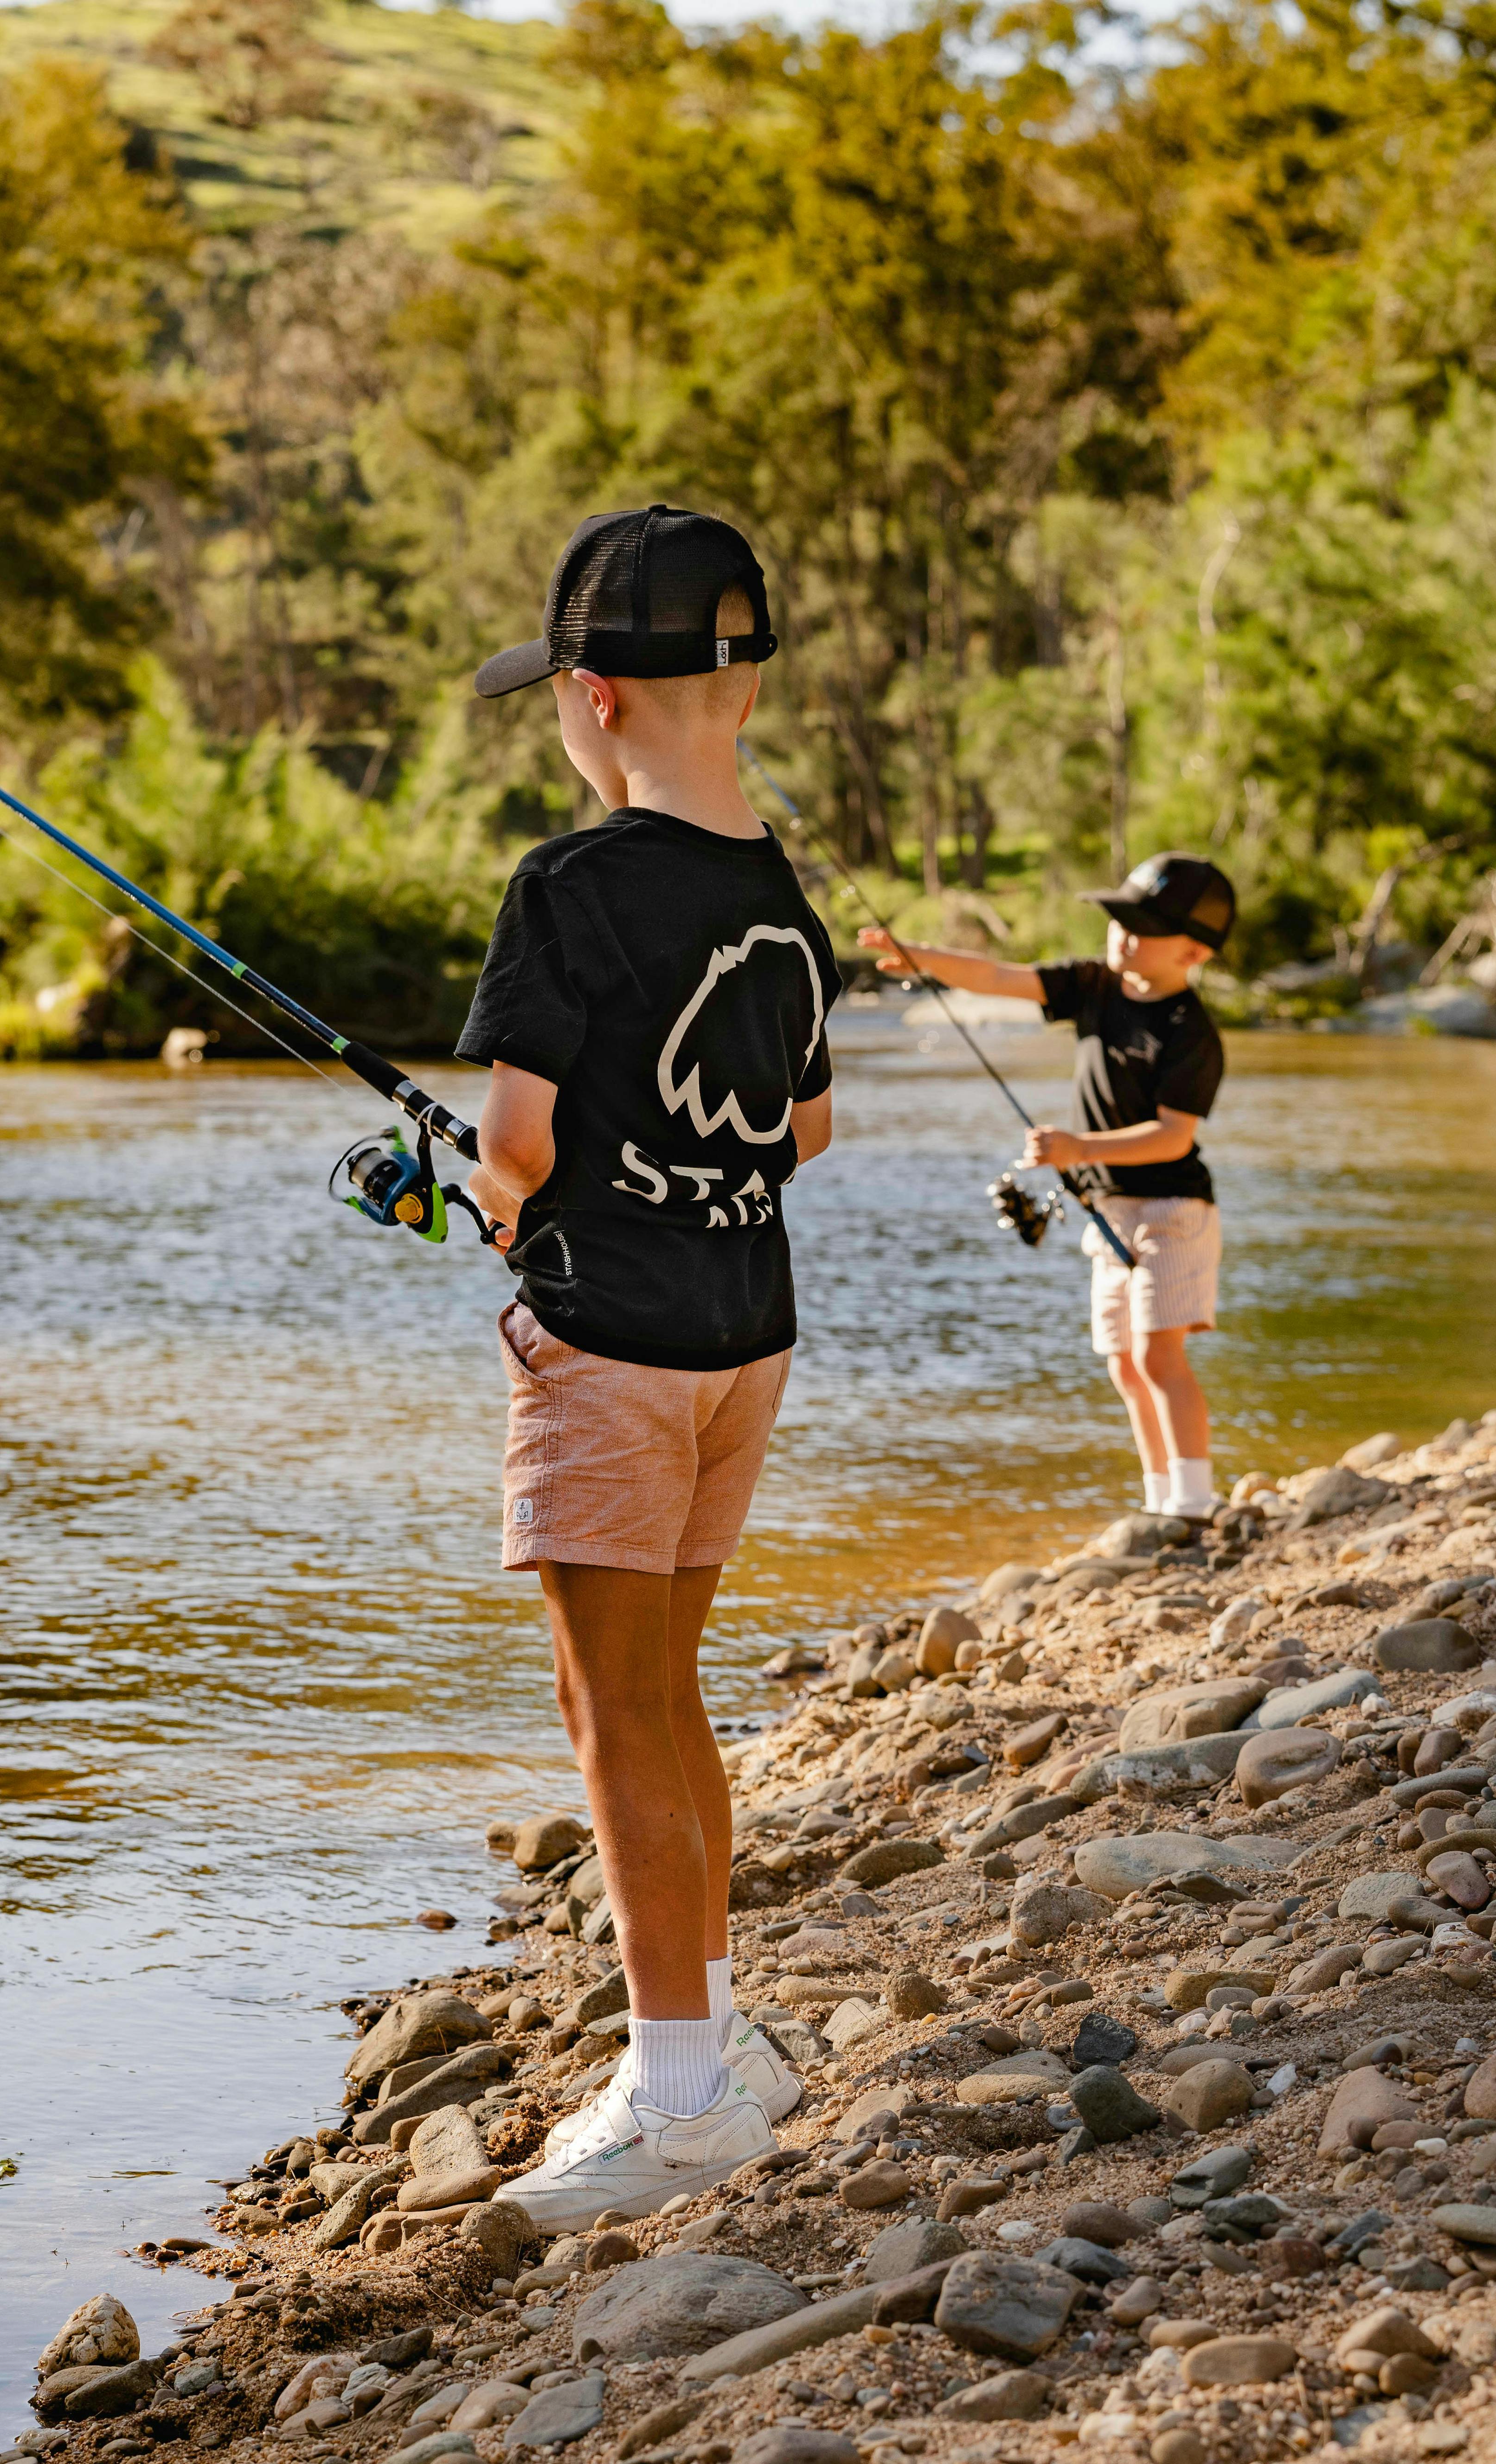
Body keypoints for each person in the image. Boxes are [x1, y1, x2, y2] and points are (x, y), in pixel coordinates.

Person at [453, 508, 842, 2230]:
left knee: (613, 1707)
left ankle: (677, 2089)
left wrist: (477, 1193)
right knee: (666, 1685)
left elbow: (516, 1141)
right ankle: (716, 2033)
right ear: (737, 688)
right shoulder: (777, 888)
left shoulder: (569, 884)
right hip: (739, 1338)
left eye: (554, 690)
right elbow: (805, 1125)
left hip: (608, 1344)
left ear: (596, 697)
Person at [853, 851, 1238, 1519]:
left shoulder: (1191, 1032)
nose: (1124, 936)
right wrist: (920, 956)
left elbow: (1174, 1135)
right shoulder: (1092, 985)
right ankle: (1158, 1502)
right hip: (1110, 1213)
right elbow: (1002, 976)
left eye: (1144, 928)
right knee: (1123, 1362)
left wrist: (1077, 1147)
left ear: (1195, 953)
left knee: (1157, 1354)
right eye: (1120, 921)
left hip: (1173, 1211)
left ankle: (1196, 1503)